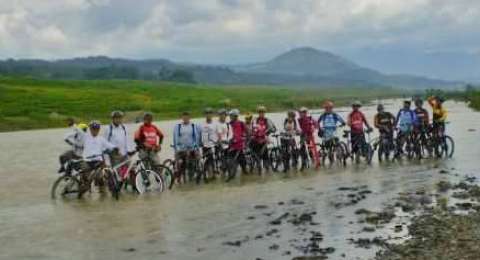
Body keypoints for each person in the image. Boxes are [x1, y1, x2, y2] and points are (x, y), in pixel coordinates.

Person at [251, 106, 277, 171]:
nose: (261, 113)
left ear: (264, 113)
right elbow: (252, 128)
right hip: (256, 138)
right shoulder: (255, 120)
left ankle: (266, 166)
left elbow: (273, 128)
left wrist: (269, 131)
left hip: (264, 138)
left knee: (265, 153)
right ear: (258, 113)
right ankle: (257, 163)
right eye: (260, 112)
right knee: (255, 150)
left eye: (262, 112)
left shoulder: (267, 120)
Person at [227, 109, 248, 177]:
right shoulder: (228, 124)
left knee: (243, 161)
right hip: (232, 145)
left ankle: (244, 172)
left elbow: (247, 132)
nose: (230, 117)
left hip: (239, 145)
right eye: (230, 116)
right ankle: (230, 172)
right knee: (230, 160)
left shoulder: (241, 123)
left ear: (235, 116)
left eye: (231, 115)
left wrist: (245, 137)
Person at [201, 108, 218, 177]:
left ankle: (214, 171)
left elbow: (218, 133)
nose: (208, 115)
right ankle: (209, 173)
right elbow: (199, 134)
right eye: (207, 113)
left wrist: (217, 141)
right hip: (205, 145)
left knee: (213, 159)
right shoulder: (201, 124)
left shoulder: (215, 124)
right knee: (207, 160)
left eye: (210, 113)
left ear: (212, 115)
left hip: (213, 145)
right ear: (205, 115)